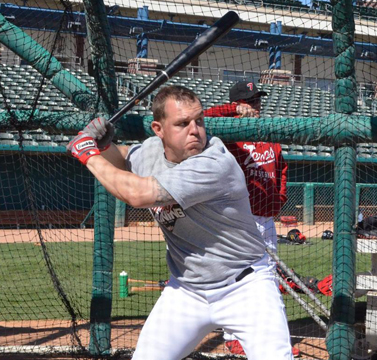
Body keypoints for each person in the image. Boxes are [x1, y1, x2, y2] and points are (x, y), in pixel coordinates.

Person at [67, 85, 294, 360]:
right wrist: (104, 148)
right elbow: (124, 159)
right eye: (182, 123)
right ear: (158, 129)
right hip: (187, 292)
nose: (195, 130)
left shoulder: (214, 163)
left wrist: (88, 154)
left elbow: (137, 194)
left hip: (245, 287)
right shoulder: (151, 151)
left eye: (198, 120)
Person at [205, 81, 301, 357]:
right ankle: (233, 336)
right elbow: (202, 119)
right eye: (250, 100)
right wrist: (232, 110)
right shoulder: (227, 132)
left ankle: (273, 342)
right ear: (238, 103)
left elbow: (281, 166)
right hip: (237, 218)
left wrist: (279, 198)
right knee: (235, 276)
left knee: (267, 279)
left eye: (257, 99)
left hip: (265, 219)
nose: (256, 104)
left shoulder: (268, 132)